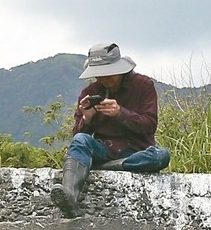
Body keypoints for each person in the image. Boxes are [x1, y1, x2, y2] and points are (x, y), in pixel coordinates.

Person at [51, 42, 171, 217]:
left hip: (135, 152)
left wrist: (120, 113)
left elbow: (149, 125)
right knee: (80, 141)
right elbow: (78, 138)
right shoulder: (90, 91)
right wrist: (87, 118)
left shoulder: (143, 86)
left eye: (107, 75)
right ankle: (69, 194)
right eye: (98, 75)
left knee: (161, 155)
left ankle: (113, 167)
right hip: (103, 150)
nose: (103, 80)